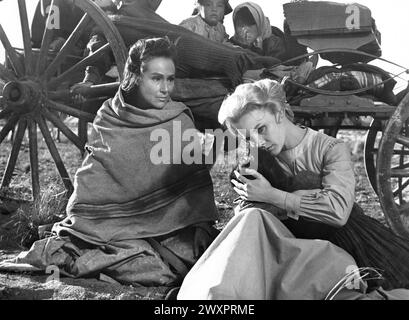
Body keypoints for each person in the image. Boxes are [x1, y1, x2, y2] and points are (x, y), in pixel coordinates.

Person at [0, 37, 219, 293]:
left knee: (182, 256)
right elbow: (94, 183)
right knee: (113, 254)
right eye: (156, 78)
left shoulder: (178, 120)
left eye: (170, 79)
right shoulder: (110, 116)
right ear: (136, 76)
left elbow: (192, 192)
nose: (165, 88)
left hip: (171, 230)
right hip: (109, 225)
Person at [177, 79, 409, 300]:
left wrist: (272, 196)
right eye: (249, 136)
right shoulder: (255, 159)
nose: (258, 142)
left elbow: (338, 211)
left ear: (278, 112)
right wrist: (252, 202)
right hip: (293, 250)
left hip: (350, 241)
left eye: (262, 128)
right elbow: (248, 220)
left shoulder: (331, 148)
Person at [230, 2, 307, 65]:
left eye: (250, 25)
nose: (245, 31)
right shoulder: (231, 44)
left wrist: (259, 52)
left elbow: (280, 65)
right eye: (240, 26)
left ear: (259, 23)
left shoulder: (273, 42)